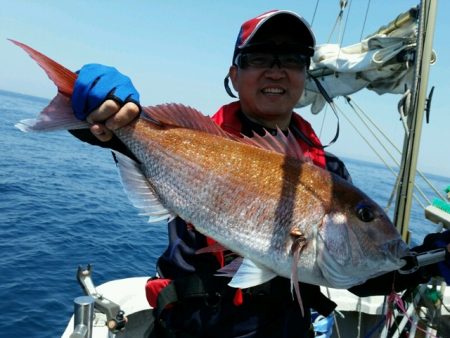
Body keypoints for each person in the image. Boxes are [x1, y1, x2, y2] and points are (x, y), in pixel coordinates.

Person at [69, 10, 450, 338]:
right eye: (259, 57)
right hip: (190, 329)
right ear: (234, 74)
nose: (277, 70)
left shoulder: (329, 173)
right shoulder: (192, 141)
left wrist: (427, 260)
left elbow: (360, 270)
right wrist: (94, 108)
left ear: (305, 75)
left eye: (293, 58)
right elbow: (110, 133)